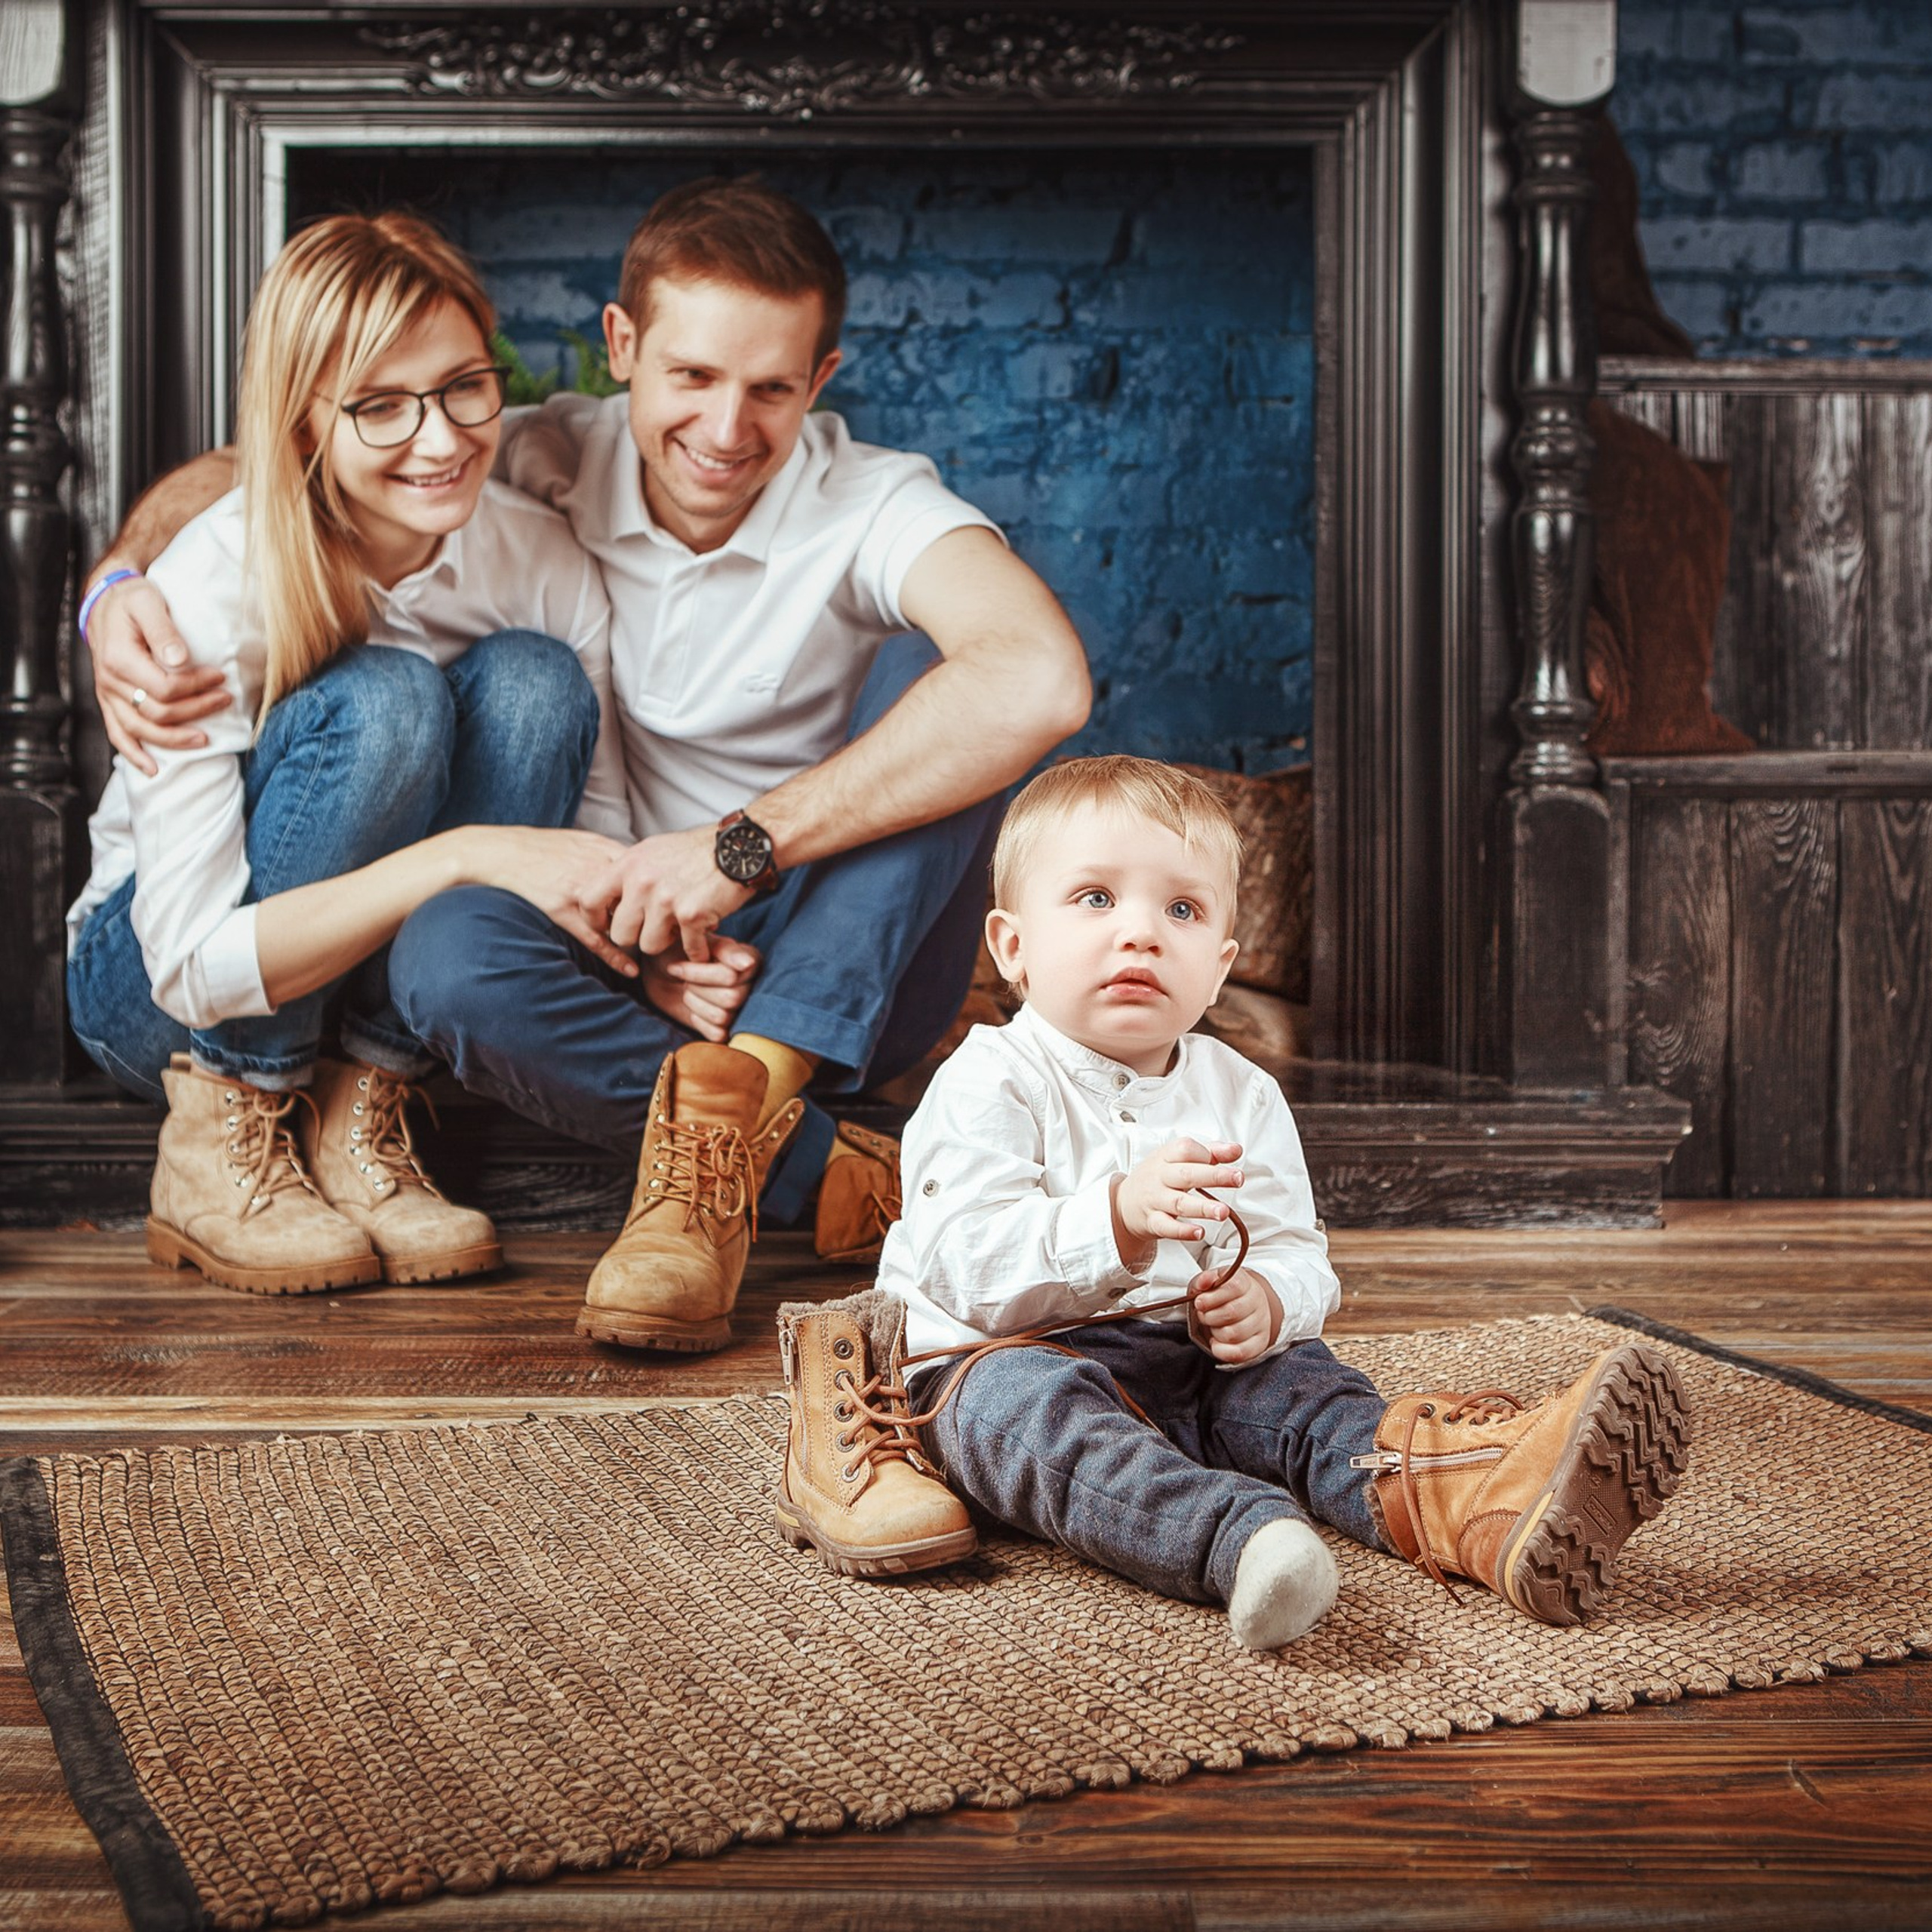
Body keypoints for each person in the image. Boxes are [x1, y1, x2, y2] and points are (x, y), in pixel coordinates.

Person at [81, 176, 1092, 1353]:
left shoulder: (850, 505)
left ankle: (735, 1115)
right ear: (622, 348)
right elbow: (253, 473)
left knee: (942, 683)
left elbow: (1039, 679)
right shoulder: (523, 459)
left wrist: (730, 860)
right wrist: (115, 589)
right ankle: (804, 1168)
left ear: (822, 382)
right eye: (695, 376)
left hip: (796, 956)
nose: (725, 429)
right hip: (365, 958)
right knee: (438, 905)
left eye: (771, 387)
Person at [772, 757, 1694, 1647]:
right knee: (1033, 1423)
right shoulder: (987, 1081)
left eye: (1180, 908)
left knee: (1308, 1387)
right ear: (1013, 945)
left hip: (1190, 1356)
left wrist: (1269, 1301)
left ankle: (1463, 1500)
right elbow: (964, 1271)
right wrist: (1117, 1218)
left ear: (1216, 969)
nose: (1139, 932)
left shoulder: (1242, 1091)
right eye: (1095, 898)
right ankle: (1241, 1539)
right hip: (1002, 1356)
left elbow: (1298, 1250)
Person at [66, 211, 643, 1297]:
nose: (440, 439)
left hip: (360, 997)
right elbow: (185, 963)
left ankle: (360, 1114)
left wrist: (659, 933)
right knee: (386, 700)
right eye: (380, 406)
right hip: (162, 1001)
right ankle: (223, 1138)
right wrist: (462, 855)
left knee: (533, 679)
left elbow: (590, 840)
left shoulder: (541, 558)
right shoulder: (209, 587)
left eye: (465, 386)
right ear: (303, 427)